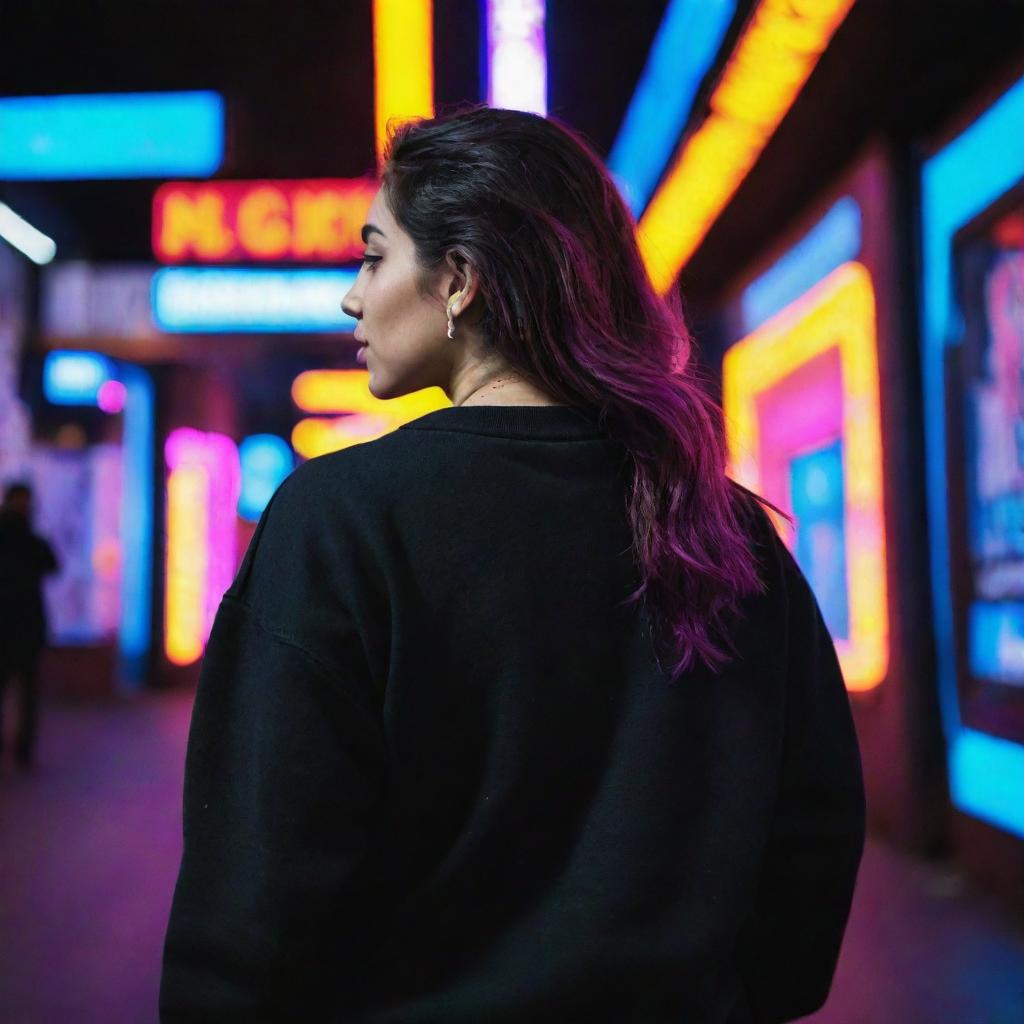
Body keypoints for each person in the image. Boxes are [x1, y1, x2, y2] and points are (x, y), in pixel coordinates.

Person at [160, 105, 865, 1023]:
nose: (350, 294)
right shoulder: (720, 526)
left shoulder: (343, 520)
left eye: (375, 256)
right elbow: (810, 840)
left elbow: (252, 893)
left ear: (458, 279)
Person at [0, 481, 60, 768]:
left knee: (25, 690)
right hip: (22, 625)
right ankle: (22, 749)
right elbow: (51, 564)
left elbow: (51, 564)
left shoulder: (27, 537)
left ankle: (22, 748)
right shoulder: (28, 538)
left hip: (19, 626)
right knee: (26, 691)